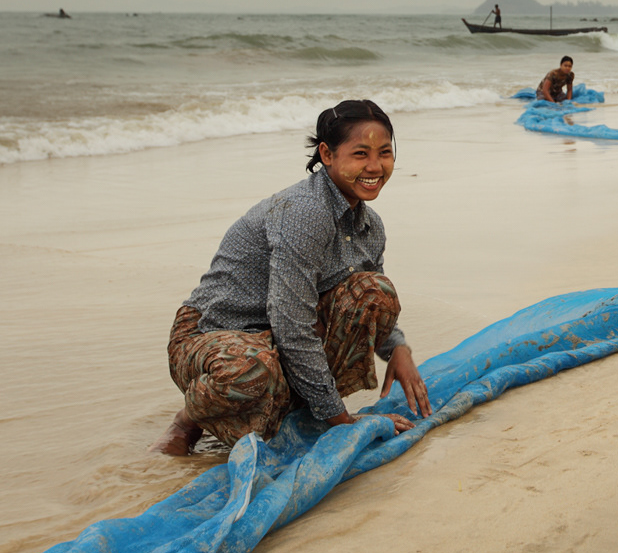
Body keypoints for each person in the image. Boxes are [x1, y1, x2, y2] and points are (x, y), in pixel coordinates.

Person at [153, 99, 429, 456]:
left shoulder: (369, 226)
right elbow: (291, 325)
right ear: (327, 154)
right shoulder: (304, 212)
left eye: (384, 153)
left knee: (374, 291)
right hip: (211, 334)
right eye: (360, 154)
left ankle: (299, 406)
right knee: (251, 368)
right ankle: (187, 419)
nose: (374, 166)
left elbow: (367, 306)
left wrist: (399, 350)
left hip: (280, 337)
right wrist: (343, 424)